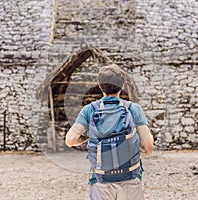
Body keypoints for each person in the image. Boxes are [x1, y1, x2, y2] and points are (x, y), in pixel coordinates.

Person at [65, 64, 154, 200]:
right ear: (122, 85)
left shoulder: (89, 110)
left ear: (100, 86)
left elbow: (70, 140)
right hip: (130, 178)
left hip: (101, 179)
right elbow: (148, 147)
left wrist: (87, 138)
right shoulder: (133, 109)